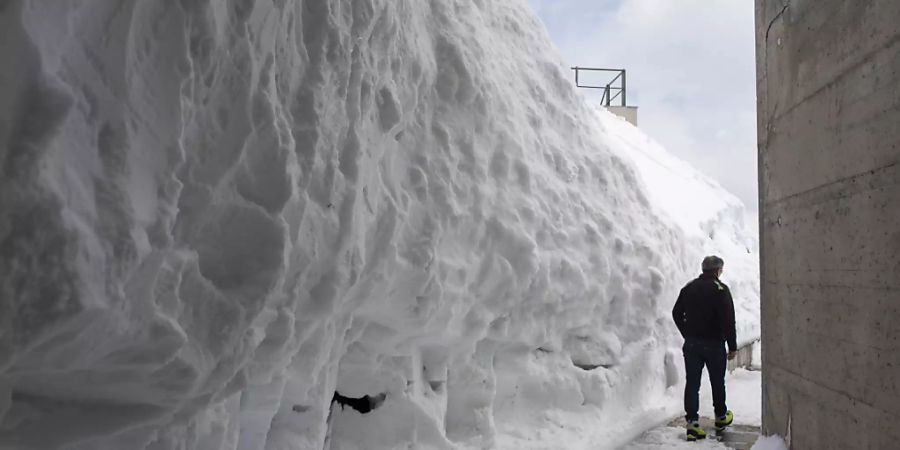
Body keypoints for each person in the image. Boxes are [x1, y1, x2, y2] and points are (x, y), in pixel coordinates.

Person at [672, 255, 737, 441]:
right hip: (714, 344)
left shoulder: (689, 287)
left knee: (692, 383)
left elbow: (676, 313)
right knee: (717, 381)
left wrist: (687, 333)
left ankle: (692, 424)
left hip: (692, 344)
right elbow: (728, 321)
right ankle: (721, 417)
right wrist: (732, 346)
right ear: (718, 270)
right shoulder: (721, 290)